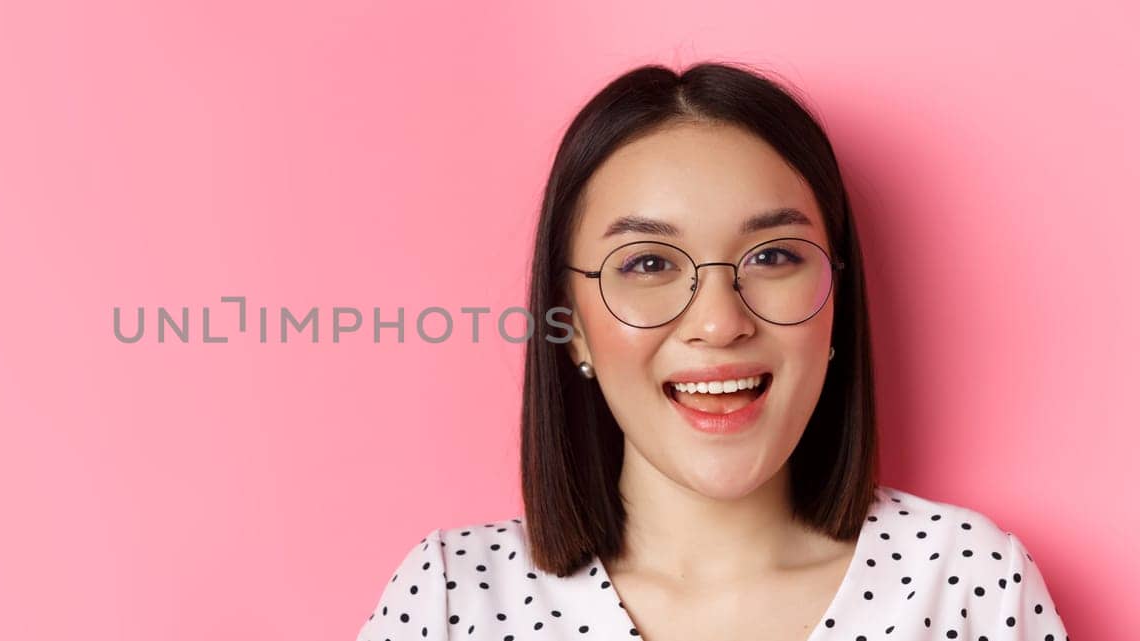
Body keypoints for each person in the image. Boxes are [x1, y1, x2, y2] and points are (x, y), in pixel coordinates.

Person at [354, 62, 1069, 641]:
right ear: (569, 324)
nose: (720, 323)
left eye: (773, 255)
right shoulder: (452, 598)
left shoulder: (967, 581)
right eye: (647, 263)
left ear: (836, 304)